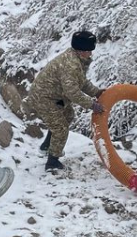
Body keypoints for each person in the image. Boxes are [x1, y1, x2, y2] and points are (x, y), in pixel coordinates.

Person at [25, 31, 106, 172]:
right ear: (81, 51)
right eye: (89, 51)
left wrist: (96, 92)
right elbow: (72, 93)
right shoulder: (71, 65)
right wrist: (92, 105)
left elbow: (81, 81)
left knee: (68, 115)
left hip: (56, 96)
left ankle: (47, 146)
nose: (91, 54)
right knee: (61, 129)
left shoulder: (77, 59)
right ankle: (52, 162)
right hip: (43, 97)